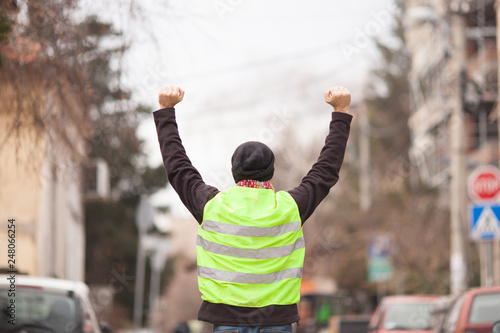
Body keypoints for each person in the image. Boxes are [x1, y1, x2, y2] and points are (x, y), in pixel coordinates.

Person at [153, 85, 352, 333]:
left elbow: (178, 168)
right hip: (277, 322)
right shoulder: (289, 208)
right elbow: (325, 171)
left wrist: (166, 111)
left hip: (227, 323)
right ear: (270, 172)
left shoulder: (212, 207)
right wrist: (341, 113)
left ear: (235, 172)